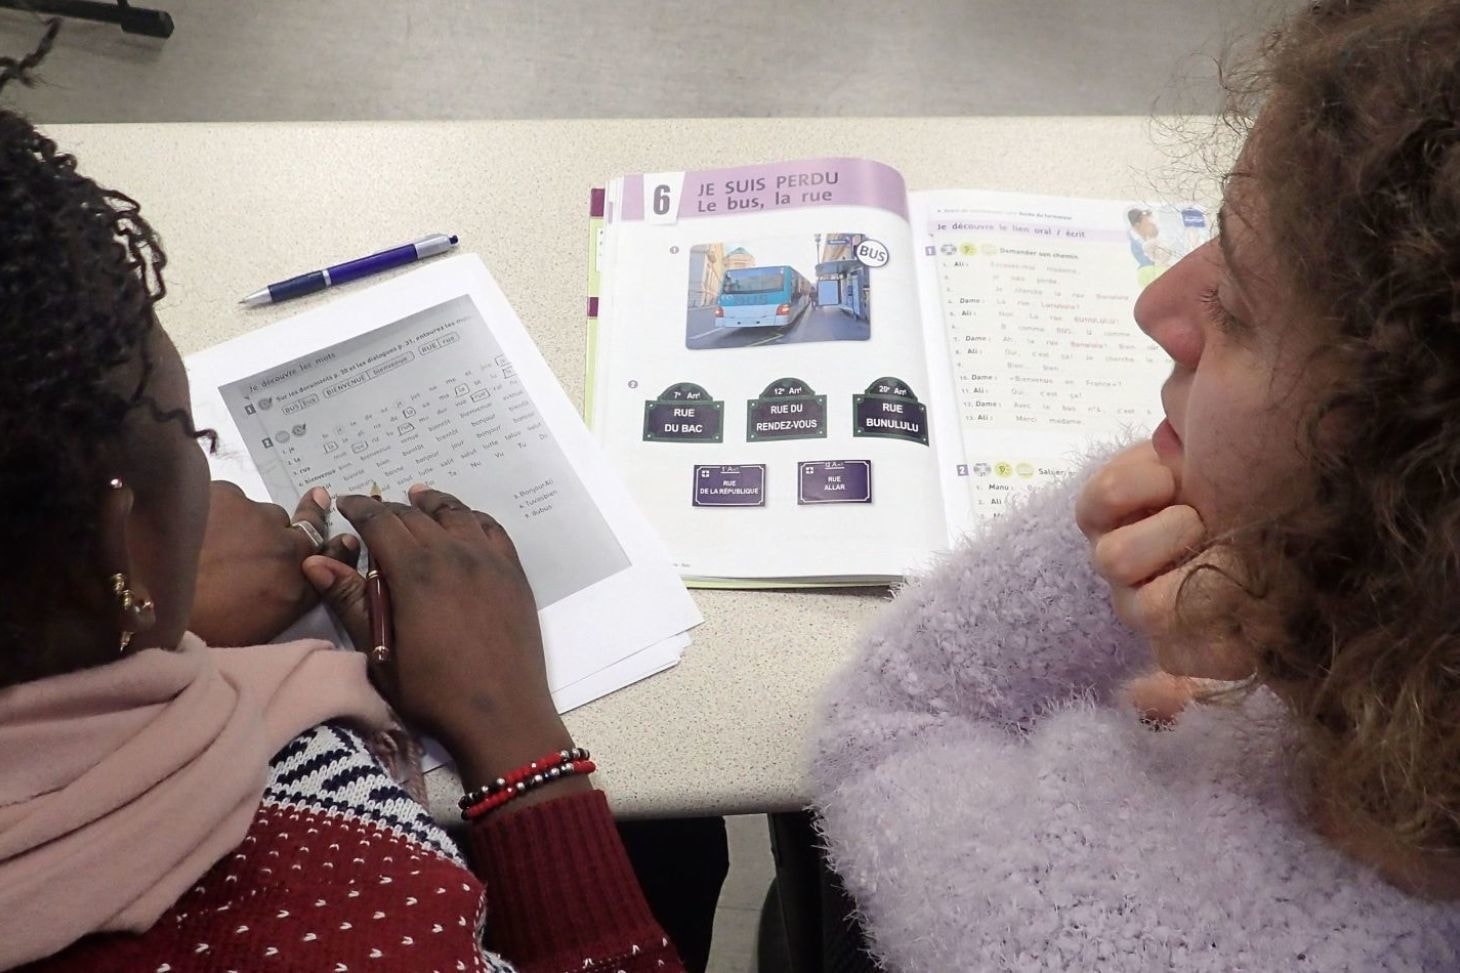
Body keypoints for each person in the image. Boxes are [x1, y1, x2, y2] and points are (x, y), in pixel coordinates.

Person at [0, 23, 686, 973]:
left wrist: (90, 615)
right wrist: (517, 735)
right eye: (189, 442)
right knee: (688, 843)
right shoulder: (355, 930)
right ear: (130, 538)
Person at [810, 0, 1460, 969]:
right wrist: (1314, 628)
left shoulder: (1075, 923)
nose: (1154, 304)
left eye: (1235, 309)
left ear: (1395, 507)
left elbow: (894, 716)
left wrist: (1140, 521)